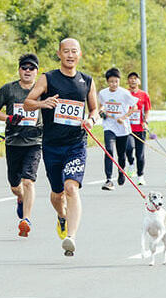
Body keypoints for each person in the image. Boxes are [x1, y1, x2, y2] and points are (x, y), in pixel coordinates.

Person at [23, 38, 99, 257]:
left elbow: (94, 110)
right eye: (66, 51)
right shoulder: (48, 78)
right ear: (59, 54)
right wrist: (42, 104)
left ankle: (71, 237)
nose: (70, 55)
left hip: (76, 144)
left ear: (80, 54)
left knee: (71, 188)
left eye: (74, 51)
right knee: (57, 194)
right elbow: (28, 102)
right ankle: (62, 216)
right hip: (52, 145)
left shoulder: (87, 80)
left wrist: (91, 120)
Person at [0, 53, 43, 238]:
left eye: (32, 68)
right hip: (13, 141)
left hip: (34, 142)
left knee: (28, 180)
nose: (27, 71)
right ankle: (20, 198)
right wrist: (9, 118)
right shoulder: (9, 89)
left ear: (37, 71)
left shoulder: (42, 90)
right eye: (24, 68)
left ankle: (26, 220)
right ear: (19, 70)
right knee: (15, 186)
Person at [97, 68, 137, 191]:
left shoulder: (124, 93)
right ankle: (108, 179)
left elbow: (134, 107)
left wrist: (123, 117)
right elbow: (101, 105)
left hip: (122, 128)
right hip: (109, 126)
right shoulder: (103, 93)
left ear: (119, 81)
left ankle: (121, 171)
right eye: (111, 82)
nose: (113, 84)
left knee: (121, 154)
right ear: (107, 82)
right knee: (108, 150)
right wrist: (102, 111)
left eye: (116, 81)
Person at [125, 72, 151, 185]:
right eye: (131, 78)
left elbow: (147, 110)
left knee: (140, 154)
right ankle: (131, 163)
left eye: (135, 78)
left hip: (140, 128)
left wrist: (145, 121)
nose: (133, 80)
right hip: (127, 128)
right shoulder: (125, 94)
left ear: (139, 81)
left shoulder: (144, 95)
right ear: (128, 81)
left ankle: (140, 176)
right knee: (129, 148)